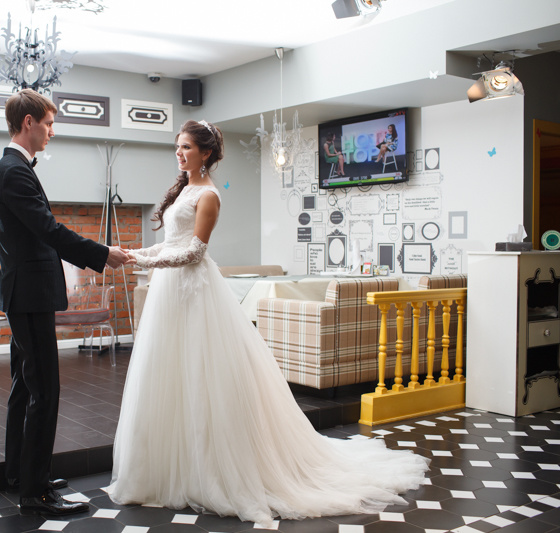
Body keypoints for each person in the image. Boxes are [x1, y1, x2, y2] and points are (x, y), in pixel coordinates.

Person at [108, 119, 429, 527]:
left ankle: (212, 470)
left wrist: (140, 261)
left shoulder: (209, 195)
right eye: (178, 147)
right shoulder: (184, 190)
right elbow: (169, 244)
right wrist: (134, 254)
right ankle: (167, 467)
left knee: (202, 375)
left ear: (206, 152)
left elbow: (193, 252)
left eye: (186, 147)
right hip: (170, 293)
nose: (180, 153)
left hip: (194, 290)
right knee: (167, 373)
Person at [0, 88, 129, 517]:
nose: (52, 132)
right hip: (29, 296)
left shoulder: (14, 168)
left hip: (26, 294)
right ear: (28, 122)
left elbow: (42, 231)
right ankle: (35, 494)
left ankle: (22, 474)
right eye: (49, 124)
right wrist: (101, 254)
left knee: (24, 387)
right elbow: (49, 230)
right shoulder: (13, 171)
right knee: (44, 391)